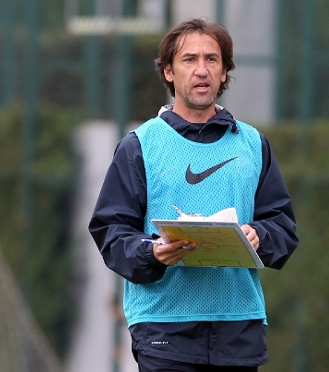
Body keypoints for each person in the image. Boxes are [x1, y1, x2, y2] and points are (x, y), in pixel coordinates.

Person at [89, 18, 298, 372]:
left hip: (238, 329)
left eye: (211, 59)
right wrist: (152, 252)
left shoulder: (253, 145)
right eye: (189, 60)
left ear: (224, 71)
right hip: (164, 330)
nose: (201, 70)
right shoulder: (140, 146)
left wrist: (258, 235)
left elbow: (282, 227)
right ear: (169, 71)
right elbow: (111, 231)